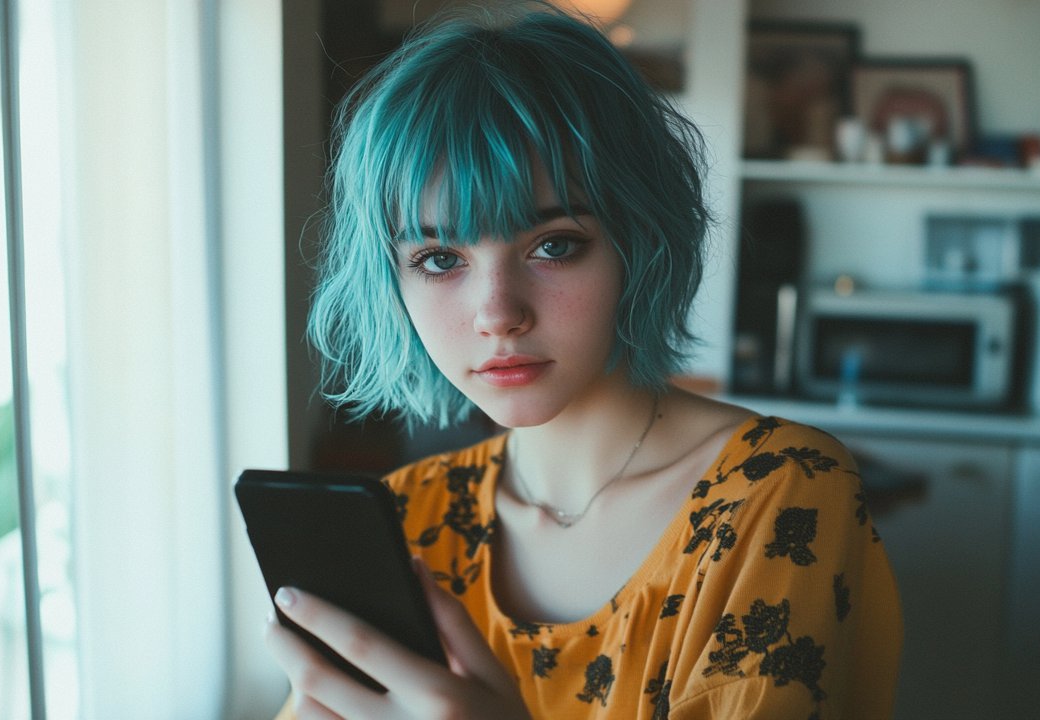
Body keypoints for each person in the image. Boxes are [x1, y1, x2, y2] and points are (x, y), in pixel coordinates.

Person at [266, 4, 903, 718]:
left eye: (554, 244)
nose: (498, 312)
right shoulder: (411, 520)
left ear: (641, 239)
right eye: (440, 258)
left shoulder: (779, 495)